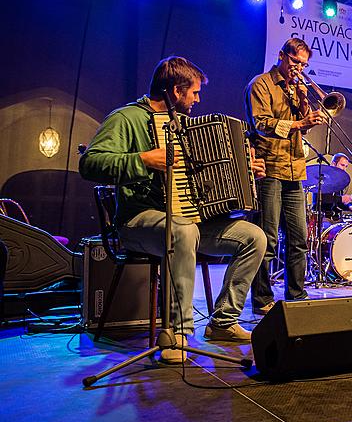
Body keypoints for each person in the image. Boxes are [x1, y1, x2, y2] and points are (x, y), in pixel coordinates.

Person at [79, 56, 267, 363]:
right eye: (193, 92)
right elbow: (89, 164)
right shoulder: (126, 118)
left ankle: (222, 322)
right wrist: (142, 160)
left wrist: (246, 170)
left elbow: (210, 177)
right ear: (177, 90)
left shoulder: (185, 127)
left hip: (190, 220)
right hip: (139, 220)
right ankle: (179, 332)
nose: (198, 98)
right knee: (182, 230)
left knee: (254, 237)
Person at [245, 38, 327, 316]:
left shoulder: (296, 89)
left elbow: (304, 126)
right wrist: (299, 123)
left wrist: (305, 102)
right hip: (268, 168)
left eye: (303, 64)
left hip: (295, 168)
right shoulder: (261, 84)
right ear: (281, 56)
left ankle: (296, 293)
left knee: (299, 238)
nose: (298, 69)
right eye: (295, 62)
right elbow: (262, 124)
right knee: (267, 238)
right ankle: (262, 299)